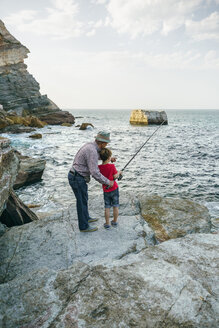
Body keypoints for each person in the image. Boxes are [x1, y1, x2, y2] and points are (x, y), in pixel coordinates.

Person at [68, 131, 114, 232]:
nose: (106, 146)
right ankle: (83, 226)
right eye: (106, 144)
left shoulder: (92, 147)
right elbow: (94, 172)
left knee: (84, 199)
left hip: (77, 176)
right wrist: (108, 182)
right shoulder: (92, 150)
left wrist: (110, 159)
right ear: (101, 143)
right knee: (81, 202)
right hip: (77, 178)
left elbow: (97, 157)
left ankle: (86, 218)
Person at [98, 147, 122, 229]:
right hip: (114, 189)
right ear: (109, 158)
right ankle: (114, 221)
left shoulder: (99, 167)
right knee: (115, 206)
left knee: (107, 207)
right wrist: (119, 172)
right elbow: (115, 176)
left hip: (106, 190)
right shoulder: (112, 166)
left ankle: (107, 223)